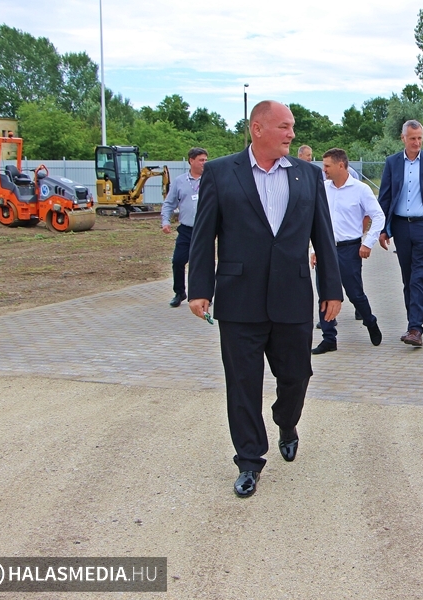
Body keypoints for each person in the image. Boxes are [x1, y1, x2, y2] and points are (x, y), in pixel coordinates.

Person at [187, 100, 342, 498]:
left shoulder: (308, 175)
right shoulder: (221, 172)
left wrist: (332, 290)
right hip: (239, 298)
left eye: (292, 126)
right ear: (257, 129)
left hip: (292, 294)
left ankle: (286, 421)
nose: (292, 133)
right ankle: (249, 460)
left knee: (297, 375)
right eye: (284, 126)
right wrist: (199, 288)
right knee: (242, 384)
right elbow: (203, 235)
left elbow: (323, 236)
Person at [377, 119, 423, 347]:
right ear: (403, 138)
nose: (417, 143)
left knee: (418, 277)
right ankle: (412, 325)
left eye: (419, 138)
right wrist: (383, 229)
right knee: (408, 278)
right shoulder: (392, 162)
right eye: (412, 138)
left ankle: (415, 328)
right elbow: (385, 197)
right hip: (400, 227)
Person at [311, 148, 385, 354]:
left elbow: (378, 216)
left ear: (341, 165)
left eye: (327, 166)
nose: (324, 170)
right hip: (326, 248)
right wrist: (314, 249)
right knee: (325, 294)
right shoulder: (323, 188)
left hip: (349, 250)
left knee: (354, 293)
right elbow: (317, 221)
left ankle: (370, 321)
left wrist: (368, 243)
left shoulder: (360, 189)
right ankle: (329, 338)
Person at [161, 147, 207, 307]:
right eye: (201, 160)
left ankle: (202, 294)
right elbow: (169, 203)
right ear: (191, 161)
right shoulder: (179, 181)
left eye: (206, 160)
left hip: (204, 230)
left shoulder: (210, 179)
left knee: (201, 263)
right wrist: (165, 221)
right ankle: (179, 292)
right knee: (178, 261)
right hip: (186, 229)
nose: (204, 163)